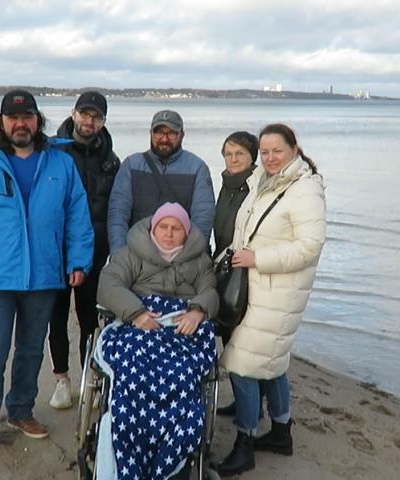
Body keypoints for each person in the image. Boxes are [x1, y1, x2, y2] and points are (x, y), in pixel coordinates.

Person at [0, 89, 94, 457]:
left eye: (27, 117)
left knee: (30, 351)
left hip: (44, 275)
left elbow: (78, 216)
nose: (20, 124)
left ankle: (21, 411)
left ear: (37, 120)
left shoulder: (60, 163)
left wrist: (78, 261)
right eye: (13, 118)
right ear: (1, 122)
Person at [216, 124, 326, 476]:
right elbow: (247, 229)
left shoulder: (304, 189)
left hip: (278, 290)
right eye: (264, 152)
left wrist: (257, 258)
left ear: (294, 149)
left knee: (242, 363)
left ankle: (245, 443)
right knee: (272, 361)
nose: (270, 157)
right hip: (258, 287)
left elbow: (310, 247)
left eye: (277, 150)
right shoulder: (265, 181)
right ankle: (281, 432)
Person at [95, 202, 219, 480]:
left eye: (176, 228)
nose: (169, 233)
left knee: (185, 377)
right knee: (131, 373)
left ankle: (170, 460)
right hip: (140, 324)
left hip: (180, 328)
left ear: (186, 232)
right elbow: (108, 284)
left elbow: (210, 291)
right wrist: (135, 312)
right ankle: (127, 451)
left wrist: (198, 311)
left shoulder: (199, 260)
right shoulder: (131, 253)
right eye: (163, 226)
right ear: (153, 228)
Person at [47, 91, 120, 410]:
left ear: (103, 121)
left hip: (94, 251)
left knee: (89, 318)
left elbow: (117, 208)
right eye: (85, 114)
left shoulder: (110, 160)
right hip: (55, 250)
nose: (90, 121)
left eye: (97, 117)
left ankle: (89, 378)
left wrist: (117, 248)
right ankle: (62, 380)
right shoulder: (51, 151)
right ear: (73, 114)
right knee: (56, 316)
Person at [107, 110, 215, 252]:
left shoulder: (197, 168)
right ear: (150, 133)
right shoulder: (131, 165)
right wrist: (119, 254)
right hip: (137, 254)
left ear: (182, 135)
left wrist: (189, 256)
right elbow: (118, 214)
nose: (164, 138)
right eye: (159, 132)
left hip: (180, 256)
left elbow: (202, 220)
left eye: (171, 133)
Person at [210, 131, 259, 416]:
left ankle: (250, 409)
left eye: (240, 153)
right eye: (228, 154)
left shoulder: (256, 187)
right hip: (224, 265)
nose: (233, 159)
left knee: (242, 343)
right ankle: (244, 402)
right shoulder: (227, 184)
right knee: (229, 336)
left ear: (252, 156)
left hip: (245, 270)